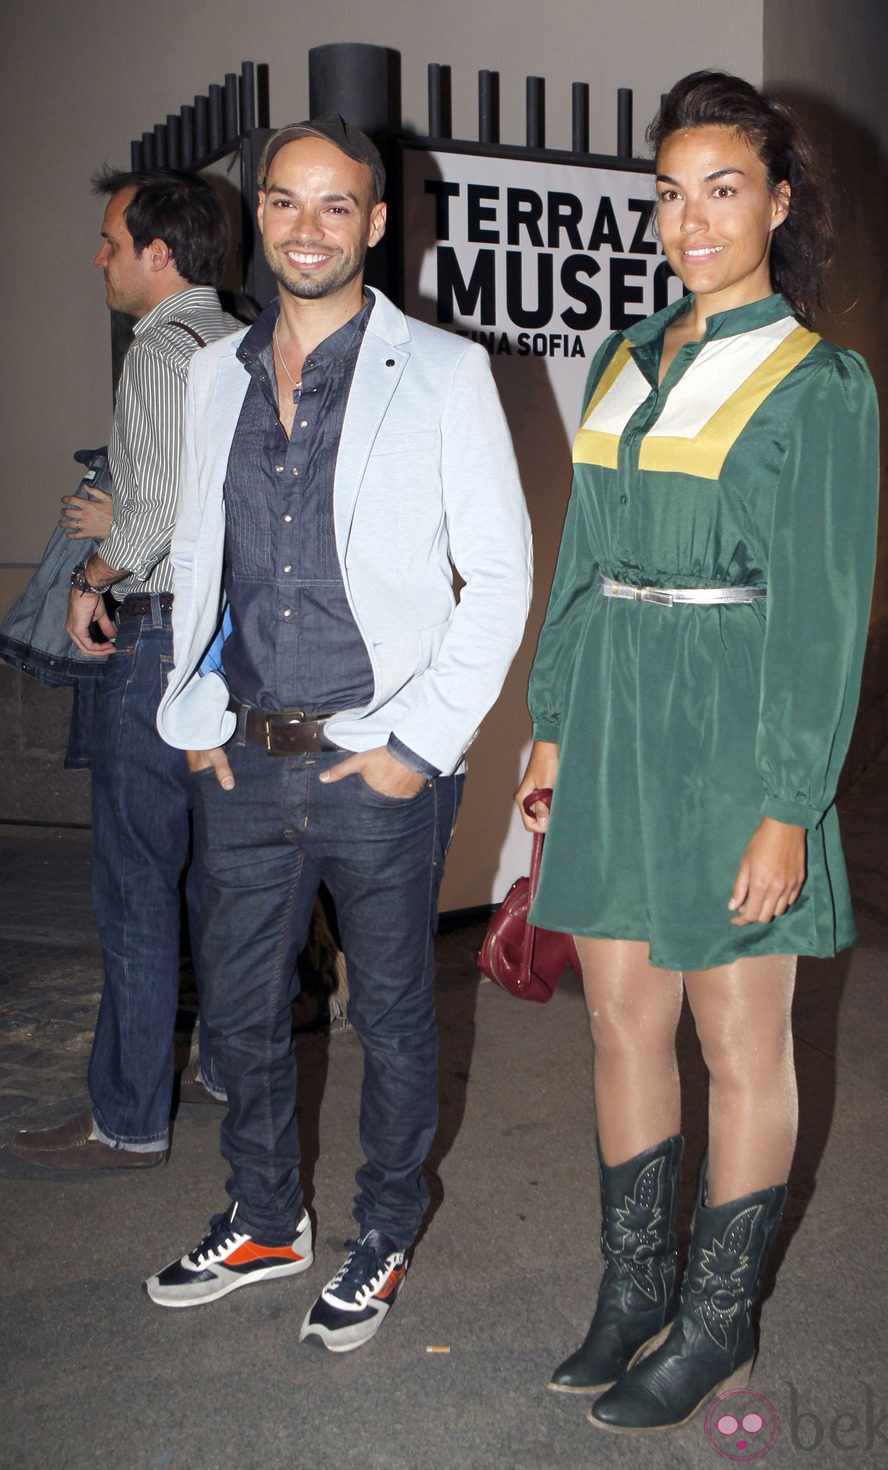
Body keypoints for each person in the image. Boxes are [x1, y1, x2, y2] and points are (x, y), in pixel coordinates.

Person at [516, 71, 878, 1433]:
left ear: (779, 205)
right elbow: (582, 560)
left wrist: (790, 802)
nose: (690, 220)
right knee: (620, 1016)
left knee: (740, 1034)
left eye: (722, 190)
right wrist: (551, 718)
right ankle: (632, 1288)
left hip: (738, 726)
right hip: (612, 710)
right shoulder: (626, 356)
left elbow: (828, 615)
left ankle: (718, 1320)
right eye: (670, 194)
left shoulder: (819, 382)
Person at [145, 117, 531, 1352]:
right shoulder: (215, 371)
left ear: (373, 223)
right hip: (244, 757)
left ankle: (381, 1229)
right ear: (257, 216)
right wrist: (194, 712)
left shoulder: (445, 370)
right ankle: (265, 1217)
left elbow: (504, 577)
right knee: (245, 1014)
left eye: (334, 206)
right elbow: (203, 560)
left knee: (396, 1019)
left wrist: (418, 746)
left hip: (379, 761)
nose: (304, 227)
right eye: (281, 202)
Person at [10, 169, 240, 1169]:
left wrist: (92, 573)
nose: (98, 259)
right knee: (219, 884)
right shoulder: (240, 338)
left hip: (153, 640)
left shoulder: (158, 350)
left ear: (158, 253)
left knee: (136, 888)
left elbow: (152, 520)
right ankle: (227, 1071)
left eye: (110, 241)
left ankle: (128, 1120)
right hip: (231, 648)